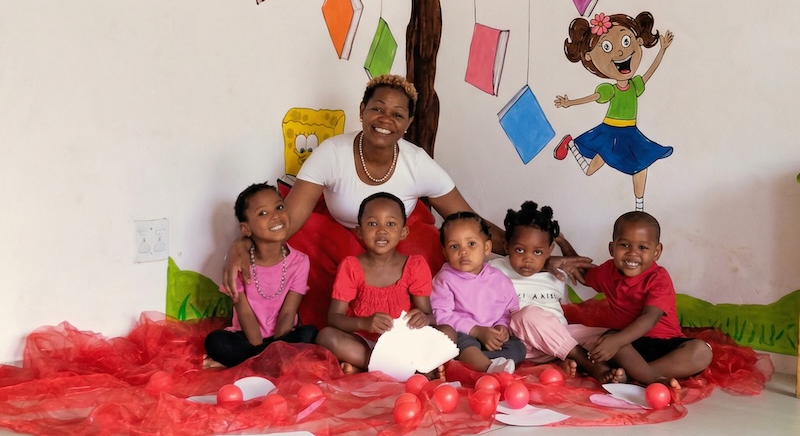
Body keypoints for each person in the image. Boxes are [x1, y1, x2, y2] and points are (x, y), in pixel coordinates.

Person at [223, 75, 588, 330]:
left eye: (397, 114)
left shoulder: (417, 162)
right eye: (377, 109)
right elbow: (291, 221)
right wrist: (241, 245)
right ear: (363, 110)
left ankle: (413, 324)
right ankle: (322, 325)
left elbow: (468, 220)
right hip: (343, 241)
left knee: (430, 245)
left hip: (395, 245)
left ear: (408, 123)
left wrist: (529, 253)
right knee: (306, 238)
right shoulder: (331, 153)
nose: (385, 119)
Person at [492, 201, 624, 383]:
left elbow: (582, 271)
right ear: (507, 246)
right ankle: (585, 361)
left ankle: (568, 360)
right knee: (526, 315)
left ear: (550, 250)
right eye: (520, 250)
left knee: (611, 336)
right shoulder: (494, 269)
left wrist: (562, 240)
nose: (528, 259)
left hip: (561, 335)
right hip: (521, 341)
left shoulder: (557, 273)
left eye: (537, 252)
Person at [553, 11, 673, 212]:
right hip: (610, 132)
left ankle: (639, 208)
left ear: (638, 41)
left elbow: (650, 72)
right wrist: (569, 102)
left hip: (630, 133)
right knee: (590, 171)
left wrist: (662, 50)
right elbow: (591, 98)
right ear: (590, 56)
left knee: (642, 164)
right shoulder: (609, 89)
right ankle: (572, 145)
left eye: (626, 41)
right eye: (607, 47)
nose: (620, 53)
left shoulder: (635, 85)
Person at [582, 211, 713, 386]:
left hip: (666, 346)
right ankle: (644, 375)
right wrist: (564, 248)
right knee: (609, 339)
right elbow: (584, 274)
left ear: (657, 252)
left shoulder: (659, 277)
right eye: (625, 245)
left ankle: (639, 375)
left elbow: (650, 318)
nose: (632, 254)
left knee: (702, 351)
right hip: (630, 347)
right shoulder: (607, 270)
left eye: (642, 247)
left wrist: (617, 341)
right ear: (612, 249)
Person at [315, 192, 434, 373]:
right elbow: (334, 318)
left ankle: (366, 367)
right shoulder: (351, 266)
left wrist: (423, 318)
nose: (381, 230)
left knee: (448, 331)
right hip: (364, 342)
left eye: (391, 224)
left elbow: (429, 315)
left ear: (403, 232)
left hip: (405, 343)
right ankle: (400, 368)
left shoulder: (415, 266)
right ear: (360, 231)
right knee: (326, 336)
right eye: (372, 223)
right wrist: (365, 324)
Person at [203, 183, 317, 367]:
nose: (275, 216)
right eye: (263, 213)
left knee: (309, 334)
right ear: (246, 229)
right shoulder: (239, 265)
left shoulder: (300, 262)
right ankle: (266, 362)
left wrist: (278, 348)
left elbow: (288, 313)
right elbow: (245, 313)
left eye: (279, 207)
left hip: (283, 335)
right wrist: (261, 351)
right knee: (216, 341)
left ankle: (256, 362)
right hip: (247, 337)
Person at [432, 212, 526, 373]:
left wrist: (502, 328)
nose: (463, 251)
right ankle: (487, 367)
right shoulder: (444, 279)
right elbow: (442, 316)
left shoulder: (499, 279)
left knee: (519, 347)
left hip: (491, 336)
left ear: (487, 247)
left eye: (471, 244)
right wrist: (476, 331)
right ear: (445, 253)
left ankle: (494, 362)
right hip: (465, 334)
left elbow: (508, 311)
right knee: (460, 342)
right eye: (455, 246)